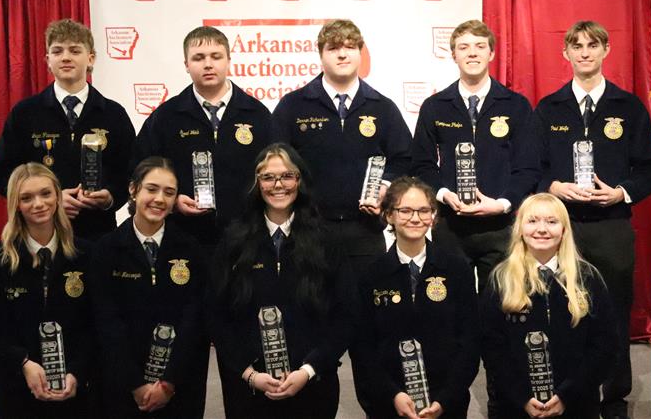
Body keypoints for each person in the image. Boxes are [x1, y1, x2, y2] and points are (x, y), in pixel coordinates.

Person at [535, 20, 651, 419]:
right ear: (565, 54)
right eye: (577, 46)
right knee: (560, 311)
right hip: (560, 229)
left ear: (606, 50)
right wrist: (554, 187)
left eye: (593, 45)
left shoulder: (628, 107)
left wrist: (621, 192)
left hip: (611, 226)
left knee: (613, 313)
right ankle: (566, 392)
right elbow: (530, 168)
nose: (585, 52)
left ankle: (614, 396)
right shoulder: (549, 108)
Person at [208, 143, 356, 419]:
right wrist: (249, 373)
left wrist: (309, 370)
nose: (278, 185)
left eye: (287, 176)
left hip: (313, 385)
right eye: (268, 177)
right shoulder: (234, 240)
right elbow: (216, 314)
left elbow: (346, 315)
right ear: (257, 183)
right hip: (249, 390)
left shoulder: (327, 241)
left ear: (300, 181)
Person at [412, 19, 540, 294]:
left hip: (501, 226)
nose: (472, 53)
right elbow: (421, 163)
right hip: (450, 225)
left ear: (491, 53)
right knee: (451, 305)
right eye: (464, 47)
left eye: (480, 46)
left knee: (500, 304)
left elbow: (528, 167)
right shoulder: (435, 106)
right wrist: (443, 194)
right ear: (453, 55)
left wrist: (503, 204)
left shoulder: (516, 105)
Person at [272, 19, 412, 270]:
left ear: (360, 52)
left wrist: (384, 187)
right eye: (333, 48)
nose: (342, 54)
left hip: (366, 233)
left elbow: (405, 159)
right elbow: (273, 162)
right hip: (307, 232)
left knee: (369, 296)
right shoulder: (293, 105)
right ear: (320, 54)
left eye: (350, 47)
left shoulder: (382, 107)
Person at [0, 162, 92, 419]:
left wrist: (78, 371)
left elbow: (97, 325)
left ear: (58, 196)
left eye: (45, 193)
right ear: (15, 204)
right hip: (15, 393)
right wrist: (21, 362)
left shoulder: (86, 255)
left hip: (75, 393)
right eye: (27, 198)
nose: (38, 204)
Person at [0, 18, 135, 241]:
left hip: (98, 234)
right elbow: (1, 174)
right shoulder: (25, 113)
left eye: (75, 50)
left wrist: (111, 197)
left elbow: (131, 171)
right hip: (40, 234)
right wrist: (48, 199)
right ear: (48, 60)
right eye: (57, 51)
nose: (66, 57)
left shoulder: (113, 114)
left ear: (91, 58)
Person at [133, 25, 272, 250]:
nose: (208, 64)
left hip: (248, 238)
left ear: (228, 61)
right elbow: (140, 169)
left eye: (216, 56)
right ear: (186, 65)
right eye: (198, 58)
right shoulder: (166, 117)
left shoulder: (257, 114)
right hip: (183, 238)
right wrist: (172, 200)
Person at [90, 156, 208, 418]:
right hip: (122, 386)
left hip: (178, 386)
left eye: (169, 192)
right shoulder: (106, 250)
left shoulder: (191, 249)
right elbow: (107, 322)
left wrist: (169, 382)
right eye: (152, 189)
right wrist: (135, 383)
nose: (159, 199)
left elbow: (194, 320)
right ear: (133, 190)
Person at [481, 193, 617, 419]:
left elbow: (605, 345)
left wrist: (567, 395)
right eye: (532, 221)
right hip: (517, 406)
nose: (542, 229)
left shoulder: (588, 278)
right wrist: (522, 397)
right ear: (520, 228)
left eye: (552, 222)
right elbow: (492, 347)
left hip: (577, 403)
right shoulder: (501, 279)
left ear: (564, 230)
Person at [353, 177, 479, 419]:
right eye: (405, 210)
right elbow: (363, 346)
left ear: (433, 216)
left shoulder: (456, 269)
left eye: (423, 210)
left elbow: (470, 341)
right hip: (390, 403)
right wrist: (392, 395)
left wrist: (446, 399)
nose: (415, 218)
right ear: (389, 215)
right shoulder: (372, 274)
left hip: (446, 403)